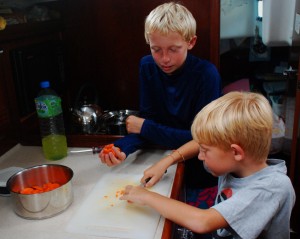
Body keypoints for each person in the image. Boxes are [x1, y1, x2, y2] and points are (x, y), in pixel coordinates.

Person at [120, 91, 296, 239]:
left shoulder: (272, 188)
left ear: (236, 152)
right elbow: (200, 142)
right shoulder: (236, 163)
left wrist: (146, 196)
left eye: (205, 150)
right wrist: (167, 161)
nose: (199, 156)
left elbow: (203, 221)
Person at [99, 2, 222, 208]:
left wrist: (145, 127)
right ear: (149, 43)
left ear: (191, 42)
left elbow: (202, 139)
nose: (165, 59)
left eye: (174, 49)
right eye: (156, 50)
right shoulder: (147, 66)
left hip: (202, 173)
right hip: (161, 166)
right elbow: (148, 120)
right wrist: (123, 148)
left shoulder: (207, 75)